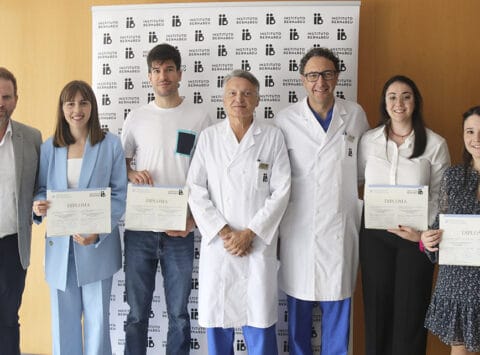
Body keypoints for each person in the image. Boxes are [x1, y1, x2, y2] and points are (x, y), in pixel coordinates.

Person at [186, 69, 291, 355]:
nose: (239, 99)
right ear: (223, 99)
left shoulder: (271, 137)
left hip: (256, 246)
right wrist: (224, 231)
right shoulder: (209, 138)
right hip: (220, 247)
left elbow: (281, 190)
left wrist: (250, 233)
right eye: (232, 93)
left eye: (247, 93)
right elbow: (194, 188)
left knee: (259, 323)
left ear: (258, 100)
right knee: (218, 324)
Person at [275, 47, 369, 355]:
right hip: (299, 227)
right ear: (303, 80)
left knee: (339, 307)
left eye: (327, 74)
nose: (321, 82)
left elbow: (363, 172)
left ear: (337, 76)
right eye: (313, 75)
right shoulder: (286, 120)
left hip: (340, 226)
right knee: (299, 309)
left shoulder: (354, 114)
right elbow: (278, 177)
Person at [121, 43, 211, 355]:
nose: (164, 76)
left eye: (169, 69)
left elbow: (210, 172)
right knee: (136, 314)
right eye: (157, 70)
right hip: (140, 229)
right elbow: (121, 161)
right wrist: (130, 173)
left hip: (180, 229)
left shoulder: (200, 116)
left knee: (179, 315)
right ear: (149, 76)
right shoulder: (137, 116)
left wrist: (192, 221)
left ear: (180, 73)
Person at [32, 80, 127, 355]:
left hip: (97, 246)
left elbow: (120, 193)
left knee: (98, 324)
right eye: (70, 103)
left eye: (83, 102)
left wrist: (100, 231)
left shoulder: (110, 145)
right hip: (60, 250)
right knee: (64, 324)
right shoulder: (50, 147)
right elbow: (40, 189)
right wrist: (38, 205)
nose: (77, 109)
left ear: (92, 107)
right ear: (62, 109)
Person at [358, 75, 450, 355]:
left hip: (416, 239)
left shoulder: (435, 144)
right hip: (375, 236)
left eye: (406, 96)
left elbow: (441, 196)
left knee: (411, 313)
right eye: (392, 97)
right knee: (377, 309)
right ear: (384, 103)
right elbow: (358, 182)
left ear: (416, 102)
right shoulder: (368, 141)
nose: (399, 103)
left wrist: (422, 234)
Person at [421, 105, 480, 355]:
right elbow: (438, 228)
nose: (476, 139)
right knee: (460, 348)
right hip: (457, 281)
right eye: (470, 131)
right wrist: (426, 239)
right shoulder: (453, 177)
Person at [0, 67, 42, 355]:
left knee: (7, 316)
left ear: (16, 99)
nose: (0, 103)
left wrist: (38, 208)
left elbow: (40, 186)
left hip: (13, 243)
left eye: (6, 96)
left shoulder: (32, 138)